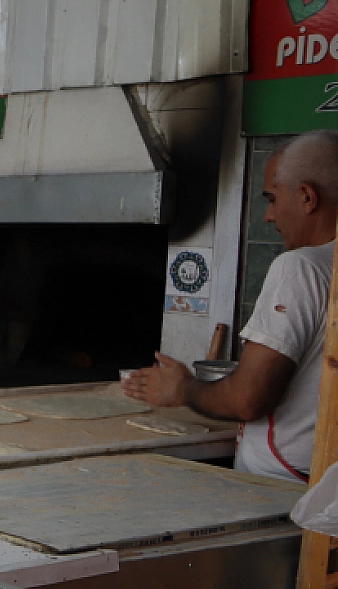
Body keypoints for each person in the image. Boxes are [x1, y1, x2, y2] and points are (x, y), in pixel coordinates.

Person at [126, 129, 338, 481]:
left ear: (306, 197)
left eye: (271, 199)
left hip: (281, 486)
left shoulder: (300, 268)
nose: (269, 216)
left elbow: (248, 399)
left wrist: (184, 389)